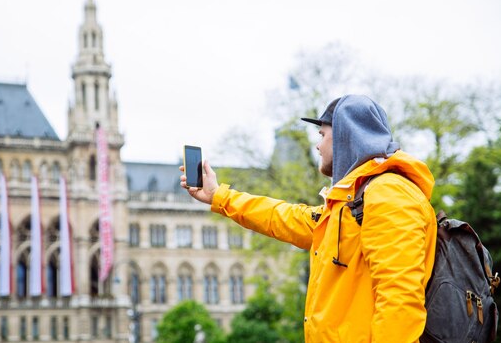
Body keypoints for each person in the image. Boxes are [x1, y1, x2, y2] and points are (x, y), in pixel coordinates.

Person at [180, 94, 437, 343]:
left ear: (346, 136)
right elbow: (282, 217)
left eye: (322, 135)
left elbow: (400, 301)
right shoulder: (350, 203)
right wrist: (219, 196)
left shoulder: (389, 193)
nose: (317, 145)